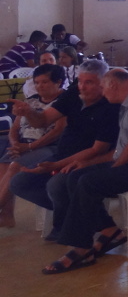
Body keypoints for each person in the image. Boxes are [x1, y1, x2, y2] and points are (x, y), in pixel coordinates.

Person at [42, 69, 128, 274]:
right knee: (76, 177)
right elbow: (122, 149)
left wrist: (113, 168)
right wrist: (93, 164)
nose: (103, 92)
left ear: (113, 84)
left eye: (103, 87)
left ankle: (81, 248)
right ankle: (109, 231)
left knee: (89, 182)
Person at [9, 60, 121, 237]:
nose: (82, 87)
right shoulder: (73, 95)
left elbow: (97, 149)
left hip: (91, 161)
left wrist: (57, 165)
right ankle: (74, 217)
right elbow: (43, 120)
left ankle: (70, 227)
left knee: (56, 184)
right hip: (62, 156)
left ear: (104, 83)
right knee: (19, 182)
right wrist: (28, 112)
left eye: (89, 82)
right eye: (80, 81)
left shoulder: (111, 106)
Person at [0, 64, 66, 227]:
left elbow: (57, 132)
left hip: (49, 148)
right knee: (3, 165)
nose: (39, 86)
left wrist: (29, 148)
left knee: (15, 166)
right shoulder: (30, 101)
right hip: (24, 145)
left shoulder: (63, 101)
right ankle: (7, 215)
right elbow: (14, 128)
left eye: (44, 82)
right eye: (36, 82)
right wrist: (15, 144)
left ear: (58, 82)